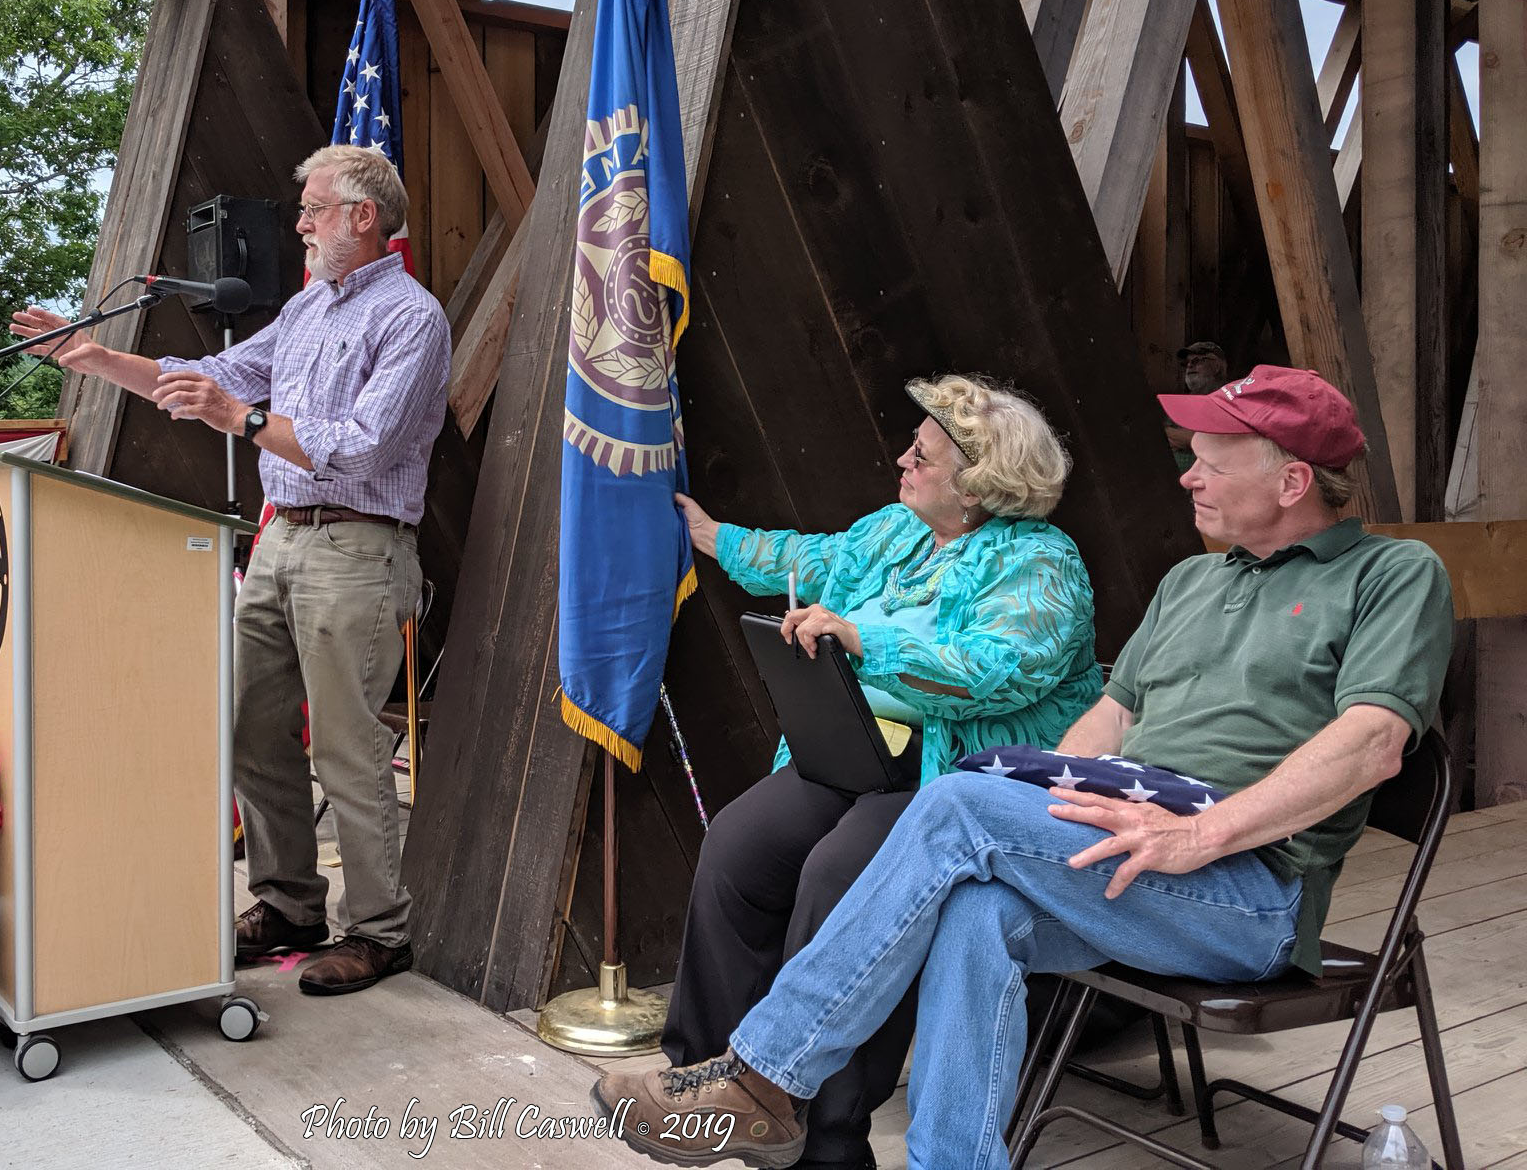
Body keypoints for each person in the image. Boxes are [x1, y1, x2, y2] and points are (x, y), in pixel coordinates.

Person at [596, 366, 1453, 1170]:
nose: (1188, 479)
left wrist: (1203, 833)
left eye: (1210, 466)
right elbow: (1111, 720)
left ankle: (764, 1080)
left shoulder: (1392, 575)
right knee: (977, 908)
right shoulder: (1193, 581)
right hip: (1126, 847)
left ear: (1293, 482)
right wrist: (1042, 790)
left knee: (957, 802)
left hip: (1248, 888)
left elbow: (1374, 743)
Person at [9, 143, 449, 996]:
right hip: (280, 537)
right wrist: (91, 357)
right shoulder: (308, 308)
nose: (300, 225)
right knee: (249, 726)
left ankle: (380, 931)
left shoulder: (412, 318)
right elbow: (208, 376)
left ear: (363, 216)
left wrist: (244, 423)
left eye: (314, 209)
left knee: (350, 748)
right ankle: (289, 905)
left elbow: (361, 450)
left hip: (358, 545)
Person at [664, 375, 1097, 1170]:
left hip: (954, 783)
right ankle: (706, 1081)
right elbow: (811, 557)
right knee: (737, 846)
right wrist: (715, 537)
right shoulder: (895, 530)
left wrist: (869, 643)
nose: (903, 460)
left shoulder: (1042, 562)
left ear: (977, 481)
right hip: (852, 753)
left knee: (839, 877)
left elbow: (1002, 668)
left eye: (922, 453)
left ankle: (819, 1136)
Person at [1166, 340, 1230, 470]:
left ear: (1216, 366)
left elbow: (1225, 441)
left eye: (1197, 361)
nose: (1189, 366)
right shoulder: (1181, 404)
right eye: (1187, 363)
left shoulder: (1229, 398)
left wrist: (1187, 438)